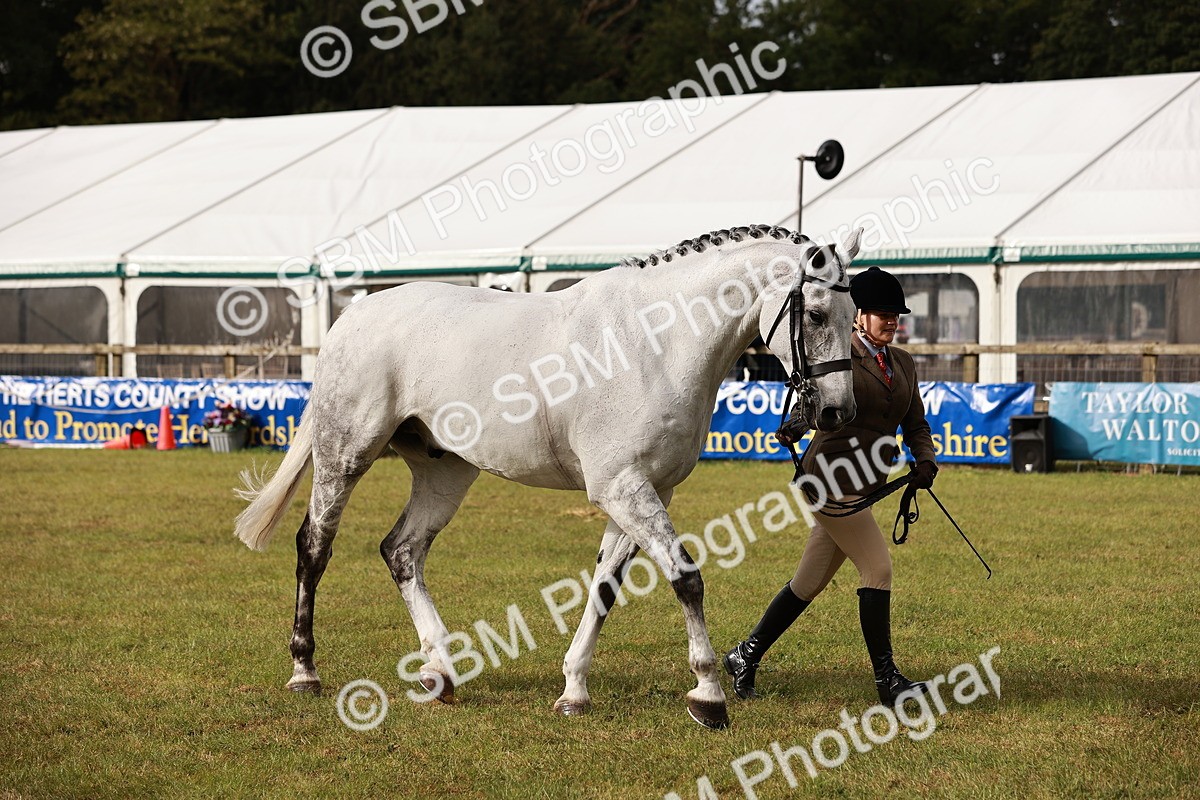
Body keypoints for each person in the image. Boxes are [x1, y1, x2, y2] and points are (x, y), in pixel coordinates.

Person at [723, 266, 939, 705]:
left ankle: (744, 655)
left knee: (808, 583)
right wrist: (794, 427)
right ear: (858, 315)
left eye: (896, 314)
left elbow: (915, 421)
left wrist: (926, 460)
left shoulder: (903, 363)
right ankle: (887, 682)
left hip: (866, 484)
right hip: (828, 480)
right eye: (882, 313)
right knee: (877, 570)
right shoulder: (839, 358)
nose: (892, 320)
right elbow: (815, 405)